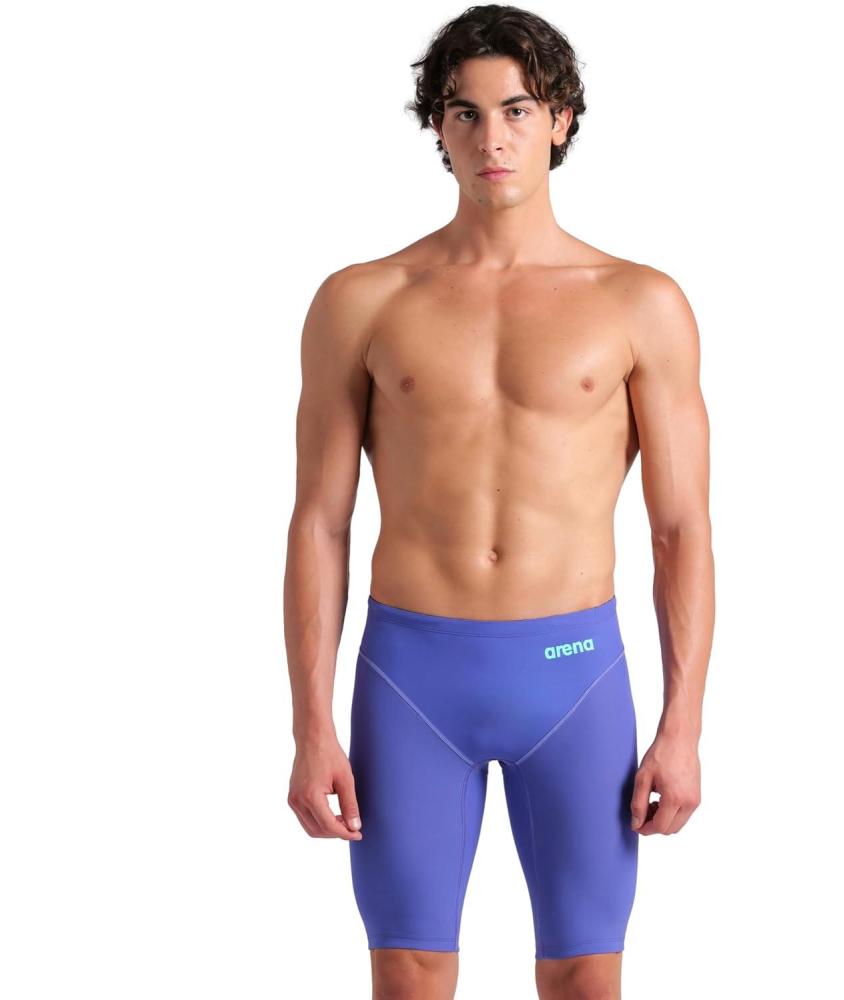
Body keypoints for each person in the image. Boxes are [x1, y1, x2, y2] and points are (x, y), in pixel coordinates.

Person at [283, 5, 715, 998]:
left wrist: (683, 725)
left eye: (517, 110)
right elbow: (319, 521)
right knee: (409, 972)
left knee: (583, 974)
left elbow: (681, 527)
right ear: (437, 126)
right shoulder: (363, 299)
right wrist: (310, 725)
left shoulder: (638, 302)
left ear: (560, 119)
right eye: (465, 112)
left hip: (574, 678)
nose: (492, 137)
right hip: (409, 678)